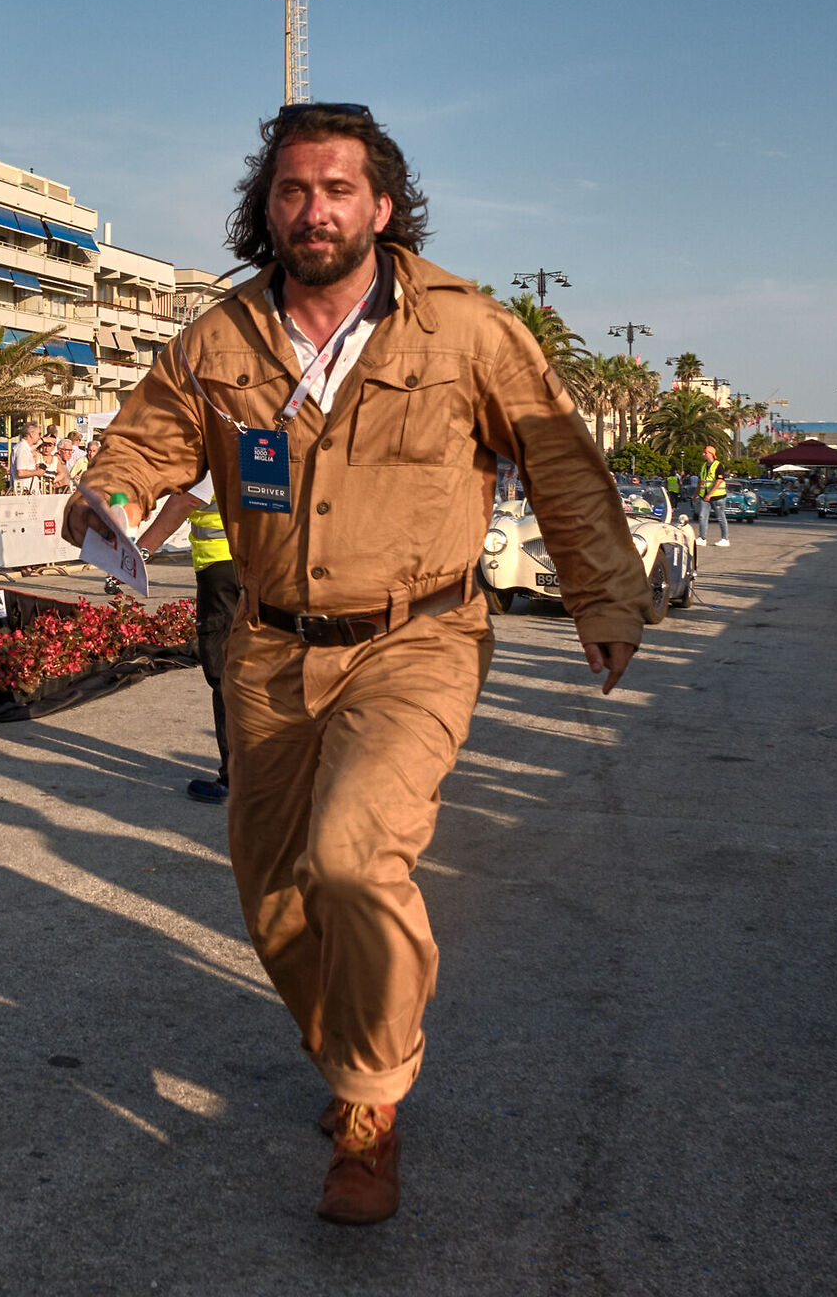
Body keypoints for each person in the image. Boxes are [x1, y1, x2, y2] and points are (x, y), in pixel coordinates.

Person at [64, 103, 644, 1226]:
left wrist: (602, 592)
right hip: (269, 647)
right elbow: (147, 441)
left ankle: (372, 1109)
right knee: (275, 895)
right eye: (293, 190)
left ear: (383, 205)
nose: (313, 209)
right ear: (265, 206)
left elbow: (558, 456)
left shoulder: (465, 328)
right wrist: (114, 495)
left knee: (351, 858)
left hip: (416, 637)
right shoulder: (220, 337)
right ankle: (353, 1063)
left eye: (337, 190)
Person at [136, 489, 239, 806]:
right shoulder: (274, 439)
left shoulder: (219, 441)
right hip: (262, 564)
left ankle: (235, 780)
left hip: (222, 568)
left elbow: (188, 498)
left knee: (226, 674)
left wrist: (141, 551)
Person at [697, 444, 731, 548]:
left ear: (711, 454)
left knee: (721, 518)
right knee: (702, 516)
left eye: (705, 453)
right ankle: (702, 538)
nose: (703, 454)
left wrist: (710, 494)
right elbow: (701, 481)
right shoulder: (704, 465)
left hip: (717, 497)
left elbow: (719, 480)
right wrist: (696, 494)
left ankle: (725, 539)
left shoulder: (718, 465)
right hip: (704, 496)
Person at [10, 424, 43, 495]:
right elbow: (20, 472)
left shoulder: (25, 448)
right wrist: (37, 472)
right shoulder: (22, 449)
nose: (40, 437)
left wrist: (35, 469)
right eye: (39, 434)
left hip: (29, 493)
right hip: (24, 493)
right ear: (31, 434)